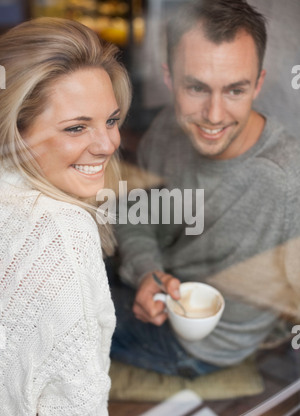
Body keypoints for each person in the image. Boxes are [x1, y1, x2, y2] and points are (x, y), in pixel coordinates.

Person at [111, 0, 300, 379]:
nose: (214, 116)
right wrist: (147, 270)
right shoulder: (166, 129)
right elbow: (137, 215)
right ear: (169, 78)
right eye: (196, 87)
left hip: (204, 346)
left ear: (258, 83)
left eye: (235, 90)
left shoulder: (285, 179)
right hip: (160, 283)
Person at [0, 17, 131, 416]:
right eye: (77, 128)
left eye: (111, 120)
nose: (109, 143)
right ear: (15, 131)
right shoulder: (61, 231)